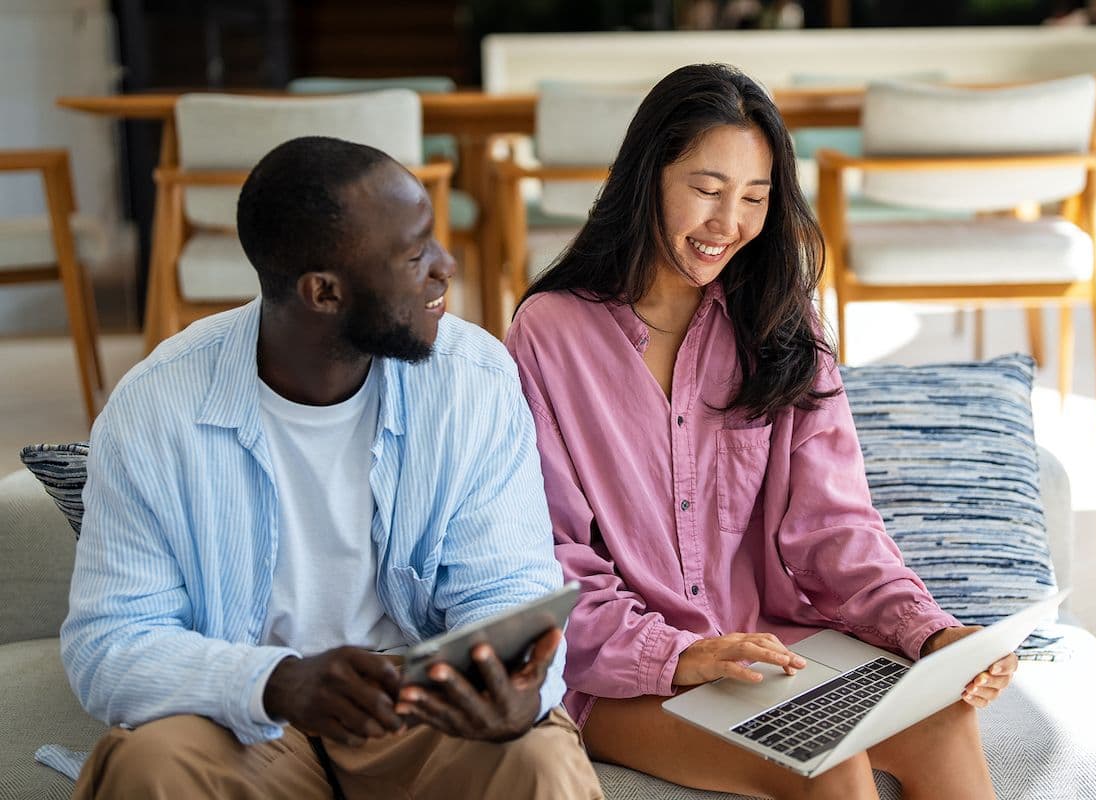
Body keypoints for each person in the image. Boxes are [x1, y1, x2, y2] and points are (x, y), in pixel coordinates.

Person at [505, 64, 1017, 800]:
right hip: (629, 678)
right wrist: (678, 654)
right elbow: (546, 557)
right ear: (645, 176)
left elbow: (835, 525)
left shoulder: (782, 323)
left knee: (943, 718)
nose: (728, 224)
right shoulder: (549, 333)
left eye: (754, 197)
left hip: (772, 647)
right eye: (707, 190)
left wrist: (930, 634)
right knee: (827, 762)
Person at [62, 135, 602, 800]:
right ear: (323, 292)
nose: (446, 266)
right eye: (413, 257)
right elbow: (110, 644)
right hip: (250, 720)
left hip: (415, 713)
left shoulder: (474, 381)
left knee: (539, 764)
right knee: (150, 766)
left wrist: (524, 691)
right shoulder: (157, 408)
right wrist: (277, 681)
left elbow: (509, 592)